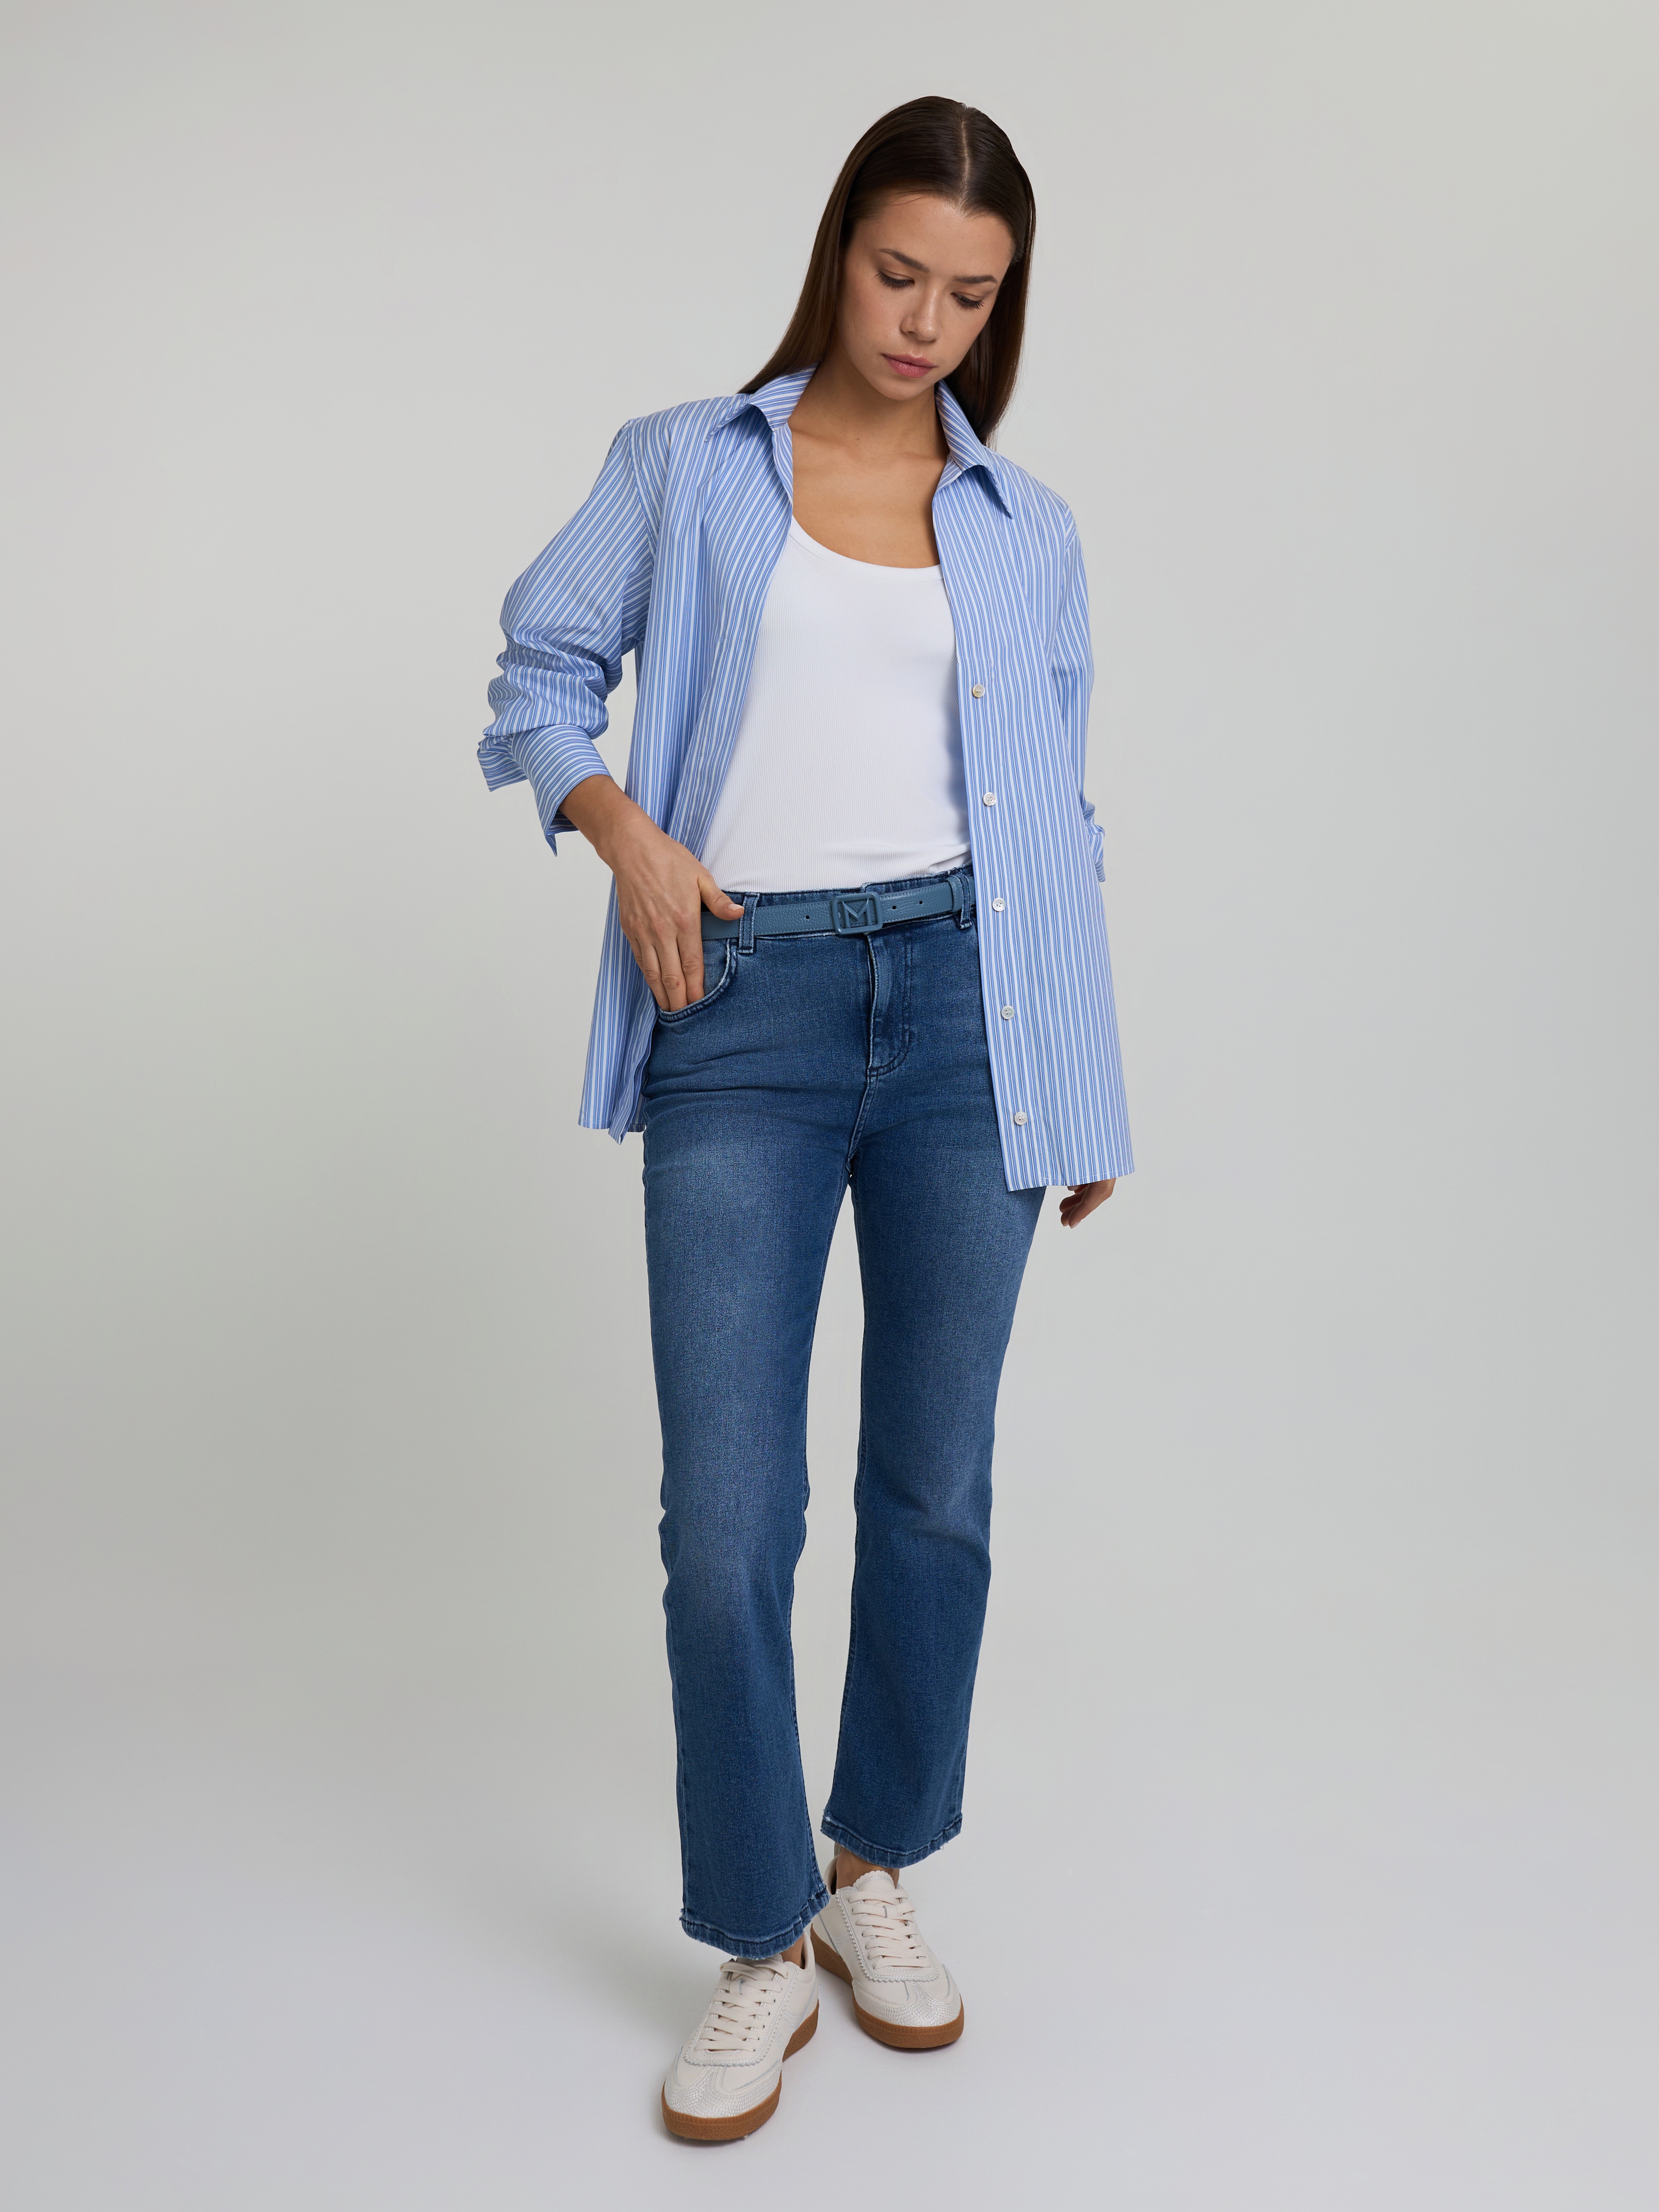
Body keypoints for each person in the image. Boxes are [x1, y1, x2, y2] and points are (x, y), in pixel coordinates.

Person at [478, 95, 1133, 2141]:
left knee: (936, 1485)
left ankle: (874, 1867)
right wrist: (625, 835)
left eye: (972, 295)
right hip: (739, 1004)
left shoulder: (1026, 529)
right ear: (839, 247)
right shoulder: (686, 464)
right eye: (898, 272)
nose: (926, 321)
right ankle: (760, 1936)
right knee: (731, 1517)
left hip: (969, 1016)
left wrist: (1081, 1068)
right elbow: (537, 672)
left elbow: (1059, 814)